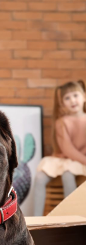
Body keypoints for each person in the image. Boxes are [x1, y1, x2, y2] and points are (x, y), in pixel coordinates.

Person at [34, 80, 86, 216]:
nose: (72, 100)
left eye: (75, 95)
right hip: (64, 159)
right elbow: (68, 149)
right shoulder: (61, 122)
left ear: (84, 96)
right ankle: (36, 220)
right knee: (39, 177)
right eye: (67, 98)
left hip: (80, 161)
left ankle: (72, 217)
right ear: (62, 103)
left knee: (68, 175)